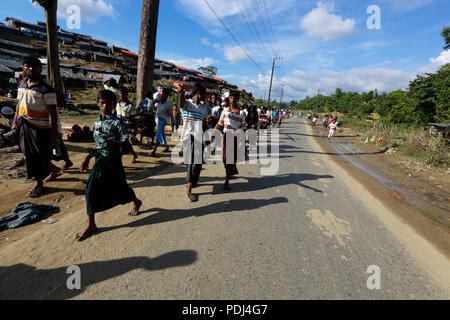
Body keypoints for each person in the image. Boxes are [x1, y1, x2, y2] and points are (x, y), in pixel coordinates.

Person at [76, 89, 142, 241]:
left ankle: (136, 202)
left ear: (113, 104)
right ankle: (92, 224)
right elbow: (98, 144)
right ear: (98, 104)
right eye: (102, 102)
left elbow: (126, 142)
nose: (105, 105)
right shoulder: (97, 121)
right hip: (100, 160)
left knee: (120, 186)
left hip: (113, 161)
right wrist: (87, 157)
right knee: (90, 189)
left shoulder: (117, 122)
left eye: (108, 103)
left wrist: (116, 144)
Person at [11, 57, 62, 198]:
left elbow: (53, 110)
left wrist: (54, 129)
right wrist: (15, 121)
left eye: (35, 66)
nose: (31, 69)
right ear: (23, 67)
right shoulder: (21, 84)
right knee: (28, 153)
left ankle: (39, 184)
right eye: (28, 66)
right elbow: (18, 104)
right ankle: (53, 169)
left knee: (36, 155)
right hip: (23, 125)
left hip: (40, 128)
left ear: (40, 69)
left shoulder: (46, 89)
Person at [178, 83, 209, 202]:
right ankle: (189, 188)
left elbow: (204, 123)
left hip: (198, 138)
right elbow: (181, 103)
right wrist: (180, 93)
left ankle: (193, 181)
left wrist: (207, 137)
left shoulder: (203, 107)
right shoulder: (187, 104)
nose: (206, 96)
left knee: (198, 163)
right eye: (204, 93)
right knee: (191, 162)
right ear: (199, 93)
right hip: (188, 137)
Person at [213, 91, 247, 191]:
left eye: (235, 98)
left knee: (230, 159)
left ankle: (227, 181)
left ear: (237, 99)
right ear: (229, 99)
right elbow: (219, 123)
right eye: (231, 98)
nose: (233, 100)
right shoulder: (224, 111)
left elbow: (243, 128)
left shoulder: (241, 113)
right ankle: (229, 171)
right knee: (224, 158)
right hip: (226, 136)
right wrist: (213, 133)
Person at [116, 87, 138, 163]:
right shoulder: (117, 105)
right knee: (125, 142)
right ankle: (134, 154)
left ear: (127, 94)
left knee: (122, 142)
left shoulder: (130, 106)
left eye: (123, 93)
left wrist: (135, 128)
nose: (121, 95)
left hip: (127, 127)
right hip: (118, 127)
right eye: (120, 93)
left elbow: (133, 118)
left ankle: (119, 160)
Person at [151, 88, 173, 156]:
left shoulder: (168, 105)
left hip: (163, 120)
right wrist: (153, 103)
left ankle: (154, 151)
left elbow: (171, 115)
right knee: (161, 134)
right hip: (157, 119)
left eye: (165, 94)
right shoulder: (158, 102)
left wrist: (173, 125)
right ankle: (166, 147)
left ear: (167, 95)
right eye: (162, 94)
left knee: (158, 134)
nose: (163, 95)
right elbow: (154, 110)